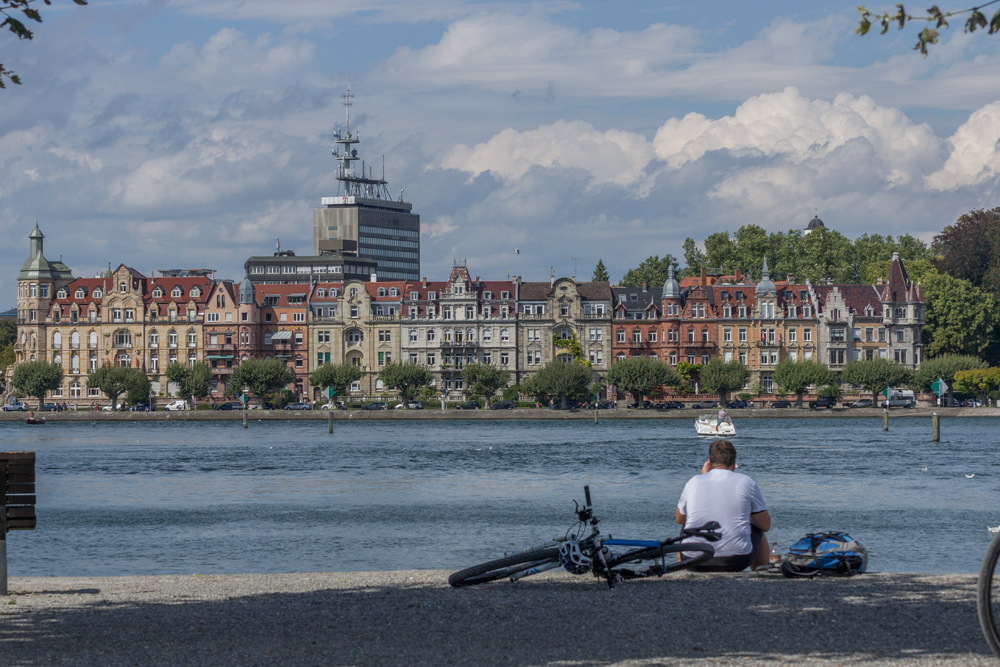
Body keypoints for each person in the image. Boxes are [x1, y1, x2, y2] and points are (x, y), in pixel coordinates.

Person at [676, 439, 771, 572]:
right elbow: (765, 525)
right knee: (757, 530)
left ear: (709, 462)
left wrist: (704, 477)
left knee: (686, 526)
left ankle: (684, 574)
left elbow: (680, 519)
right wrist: (746, 515)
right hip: (736, 560)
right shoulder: (746, 482)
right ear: (734, 464)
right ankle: (760, 573)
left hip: (693, 560)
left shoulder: (694, 482)